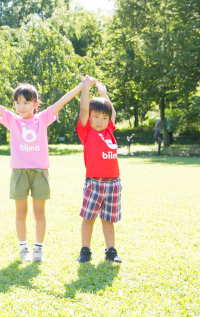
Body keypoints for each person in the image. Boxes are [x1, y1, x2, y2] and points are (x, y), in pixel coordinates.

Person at [0, 80, 84, 262]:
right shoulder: (12, 120)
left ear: (35, 104)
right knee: (21, 213)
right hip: (19, 172)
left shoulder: (42, 118)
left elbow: (62, 101)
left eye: (26, 102)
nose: (21, 106)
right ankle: (24, 248)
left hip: (40, 172)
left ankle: (38, 249)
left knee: (39, 213)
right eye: (18, 102)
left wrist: (81, 86)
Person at [76, 76, 122, 263]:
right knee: (88, 218)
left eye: (104, 118)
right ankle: (85, 250)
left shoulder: (109, 130)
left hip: (113, 184)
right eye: (96, 116)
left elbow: (112, 113)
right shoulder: (86, 131)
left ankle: (111, 251)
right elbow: (84, 109)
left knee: (108, 219)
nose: (100, 121)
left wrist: (104, 95)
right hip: (94, 183)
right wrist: (85, 87)